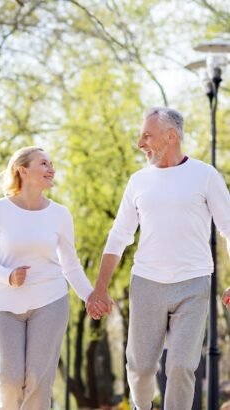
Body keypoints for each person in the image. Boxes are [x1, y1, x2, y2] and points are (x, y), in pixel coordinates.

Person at [86, 107, 230, 410]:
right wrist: (99, 288)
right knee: (139, 369)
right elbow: (118, 235)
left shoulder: (205, 176)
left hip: (193, 284)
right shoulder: (138, 181)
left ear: (171, 136)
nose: (140, 143)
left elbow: (229, 228)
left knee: (180, 367)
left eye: (147, 135)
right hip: (147, 284)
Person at [0, 146, 94, 410]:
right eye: (43, 164)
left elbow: (71, 265)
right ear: (23, 171)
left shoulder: (60, 214)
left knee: (38, 382)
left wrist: (90, 297)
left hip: (49, 301)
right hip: (3, 306)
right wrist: (8, 276)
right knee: (9, 381)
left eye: (51, 163)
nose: (51, 169)